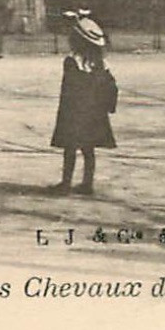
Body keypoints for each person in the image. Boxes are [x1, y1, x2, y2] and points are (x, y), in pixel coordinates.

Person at [50, 12, 118, 195]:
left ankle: (66, 184)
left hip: (75, 112)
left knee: (70, 149)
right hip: (94, 113)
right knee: (89, 149)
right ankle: (87, 184)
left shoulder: (72, 61)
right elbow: (111, 87)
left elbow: (68, 89)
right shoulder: (101, 64)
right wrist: (107, 106)